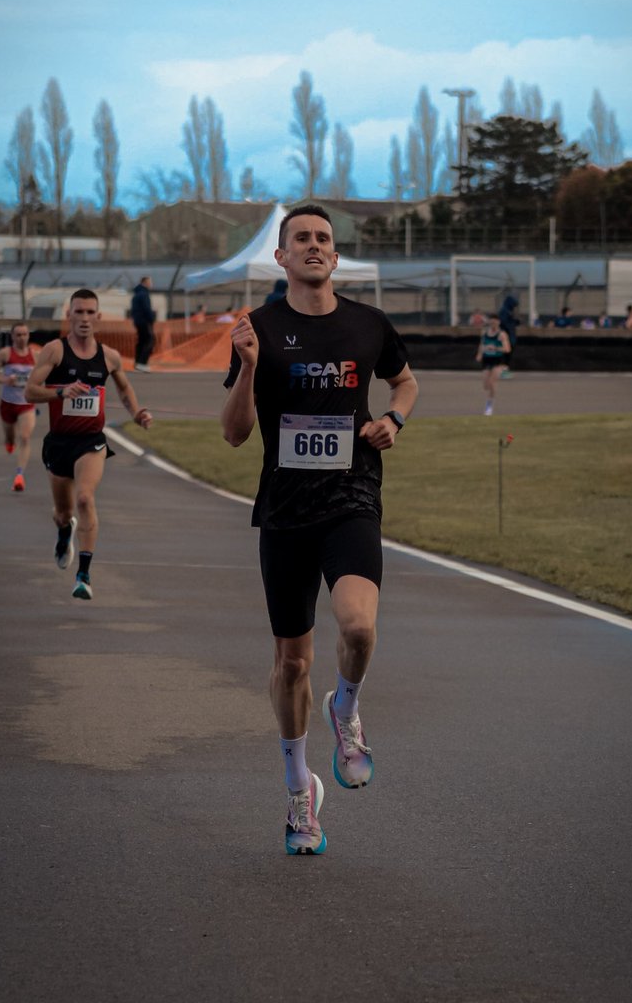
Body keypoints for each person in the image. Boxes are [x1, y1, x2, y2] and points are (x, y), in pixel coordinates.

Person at [221, 205, 418, 856]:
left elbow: (407, 381)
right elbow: (234, 433)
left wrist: (394, 419)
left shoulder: (368, 324)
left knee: (359, 626)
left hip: (352, 495)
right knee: (292, 662)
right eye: (300, 238)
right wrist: (249, 366)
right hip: (285, 510)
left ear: (335, 255)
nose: (313, 246)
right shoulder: (259, 329)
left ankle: (347, 708)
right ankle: (298, 791)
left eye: (323, 239)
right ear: (280, 257)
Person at [25, 289, 152, 600]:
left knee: (84, 499)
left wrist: (136, 412)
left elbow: (124, 388)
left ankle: (83, 574)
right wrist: (60, 392)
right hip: (59, 443)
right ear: (69, 315)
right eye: (78, 312)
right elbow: (30, 391)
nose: (83, 318)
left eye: (89, 312)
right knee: (63, 511)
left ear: (98, 317)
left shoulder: (108, 357)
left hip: (91, 441)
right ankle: (64, 529)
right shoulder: (54, 351)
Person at [0, 320, 37, 492]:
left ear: (28, 335)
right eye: (18, 335)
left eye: (24, 334)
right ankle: (9, 442)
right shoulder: (5, 354)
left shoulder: (35, 355)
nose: (22, 338)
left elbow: (42, 376)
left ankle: (19, 475)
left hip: (26, 404)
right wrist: (5, 380)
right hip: (8, 404)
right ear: (12, 336)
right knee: (10, 438)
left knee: (24, 437)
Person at [475, 314, 511, 416]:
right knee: (485, 385)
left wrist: (495, 348)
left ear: (499, 322)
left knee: (492, 382)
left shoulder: (502, 334)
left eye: (495, 321)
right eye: (492, 321)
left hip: (498, 360)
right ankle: (490, 397)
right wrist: (479, 354)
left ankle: (489, 405)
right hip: (487, 360)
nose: (493, 323)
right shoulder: (485, 333)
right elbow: (482, 345)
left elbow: (507, 349)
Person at [131, 275, 156, 371]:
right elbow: (147, 309)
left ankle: (137, 363)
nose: (151, 284)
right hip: (144, 321)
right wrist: (151, 319)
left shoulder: (136, 294)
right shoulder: (144, 294)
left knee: (141, 342)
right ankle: (142, 363)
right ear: (145, 282)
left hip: (138, 321)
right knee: (150, 340)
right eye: (150, 282)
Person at [498, 294, 520, 377]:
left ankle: (505, 370)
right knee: (505, 354)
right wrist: (514, 322)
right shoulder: (504, 311)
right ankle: (502, 371)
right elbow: (504, 323)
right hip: (506, 336)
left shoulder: (508, 311)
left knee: (508, 354)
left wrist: (515, 321)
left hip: (510, 335)